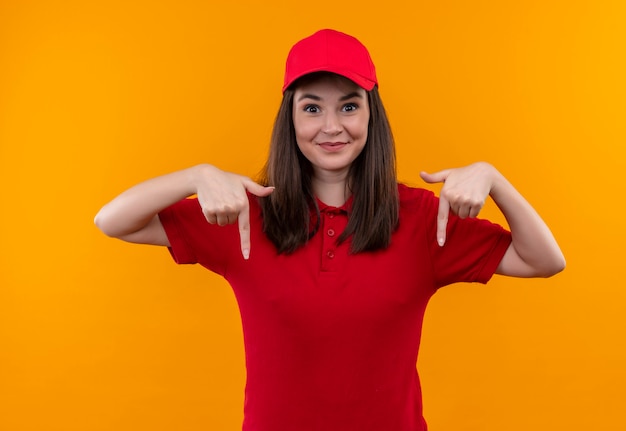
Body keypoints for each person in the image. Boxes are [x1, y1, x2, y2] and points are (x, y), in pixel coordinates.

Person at [95, 29, 565, 431]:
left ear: (370, 115)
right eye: (313, 108)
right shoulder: (247, 215)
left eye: (349, 106)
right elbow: (112, 220)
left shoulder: (421, 218)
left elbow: (544, 260)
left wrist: (495, 179)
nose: (332, 127)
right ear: (291, 119)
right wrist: (195, 176)